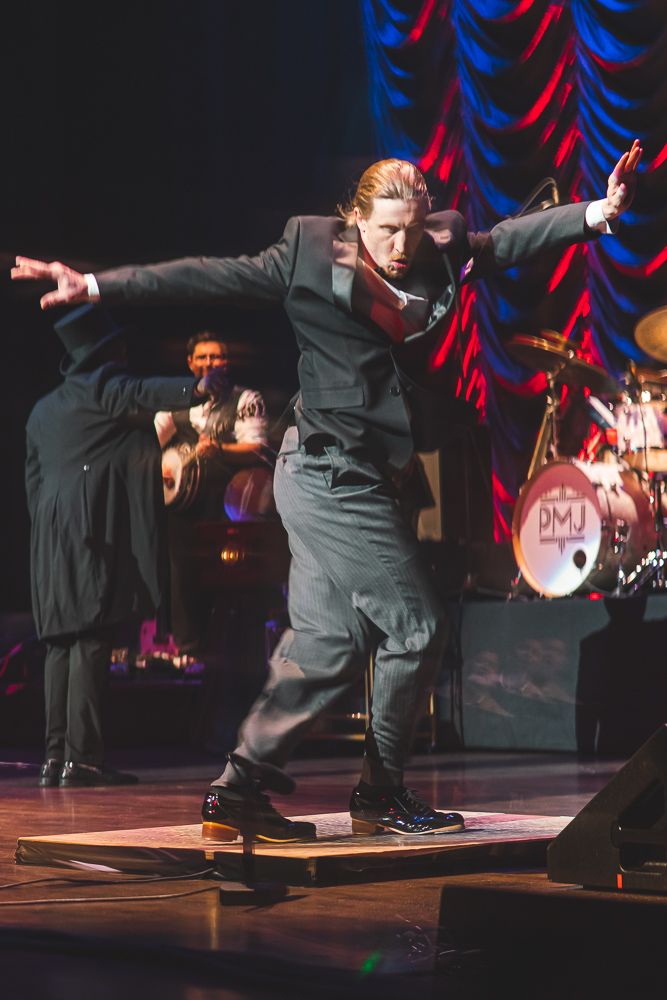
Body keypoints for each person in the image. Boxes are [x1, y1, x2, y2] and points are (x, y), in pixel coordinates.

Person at [14, 142, 642, 831]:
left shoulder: (438, 242)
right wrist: (95, 285)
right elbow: (207, 275)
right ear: (354, 218)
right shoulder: (307, 254)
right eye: (386, 230)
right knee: (418, 627)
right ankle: (380, 792)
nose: (400, 247)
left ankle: (238, 789)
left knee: (329, 642)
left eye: (412, 229)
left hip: (347, 470)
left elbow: (504, 243)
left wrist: (599, 211)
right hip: (324, 472)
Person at [25, 305, 226, 787]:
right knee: (91, 636)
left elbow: (33, 482)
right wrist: (197, 389)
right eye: (118, 345)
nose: (126, 352)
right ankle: (83, 761)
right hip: (87, 529)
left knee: (60, 641)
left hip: (48, 533)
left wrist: (50, 524)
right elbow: (143, 392)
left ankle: (55, 758)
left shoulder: (42, 410)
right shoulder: (103, 387)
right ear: (104, 354)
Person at [155, 331, 268, 656]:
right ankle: (188, 652)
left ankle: (227, 654)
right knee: (181, 579)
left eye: (216, 356)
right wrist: (158, 468)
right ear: (191, 363)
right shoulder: (174, 403)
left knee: (225, 578)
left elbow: (256, 447)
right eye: (203, 357)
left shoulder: (245, 399)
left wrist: (222, 450)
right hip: (181, 509)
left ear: (226, 362)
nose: (210, 362)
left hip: (226, 505)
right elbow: (149, 444)